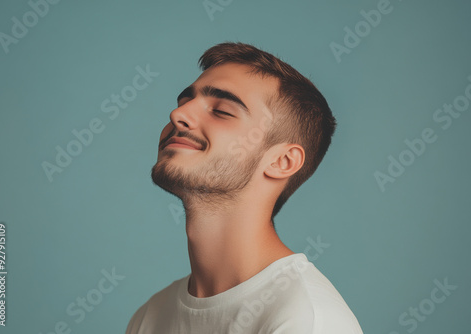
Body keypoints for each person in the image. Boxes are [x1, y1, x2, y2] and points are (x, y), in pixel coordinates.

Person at [126, 42, 363, 334]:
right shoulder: (150, 316)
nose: (178, 115)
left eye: (222, 110)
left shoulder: (307, 321)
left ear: (282, 161)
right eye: (183, 102)